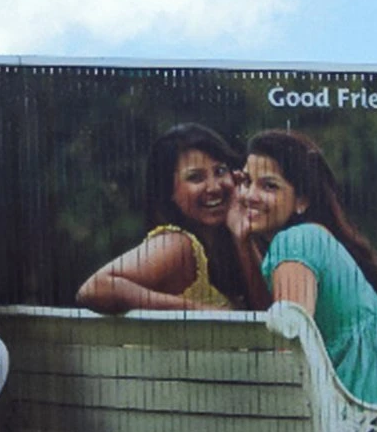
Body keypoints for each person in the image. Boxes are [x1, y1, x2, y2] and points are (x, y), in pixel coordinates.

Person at [240, 129, 377, 432]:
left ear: (302, 200)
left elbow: (289, 353)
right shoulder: (313, 239)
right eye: (246, 181)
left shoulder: (296, 241)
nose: (250, 195)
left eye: (269, 185)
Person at [76, 123, 260, 312]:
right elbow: (96, 288)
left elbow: (265, 315)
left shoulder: (226, 244)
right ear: (168, 191)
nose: (214, 187)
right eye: (195, 177)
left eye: (220, 171)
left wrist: (241, 238)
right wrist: (201, 312)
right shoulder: (177, 245)